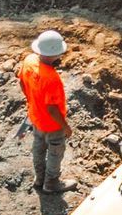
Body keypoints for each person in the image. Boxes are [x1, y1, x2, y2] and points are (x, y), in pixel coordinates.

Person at [16, 29, 77, 194]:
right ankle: (51, 183)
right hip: (52, 125)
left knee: (38, 147)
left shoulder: (29, 60)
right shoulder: (51, 78)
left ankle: (39, 178)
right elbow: (52, 109)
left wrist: (32, 100)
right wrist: (65, 127)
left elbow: (21, 81)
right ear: (55, 54)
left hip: (35, 117)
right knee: (55, 152)